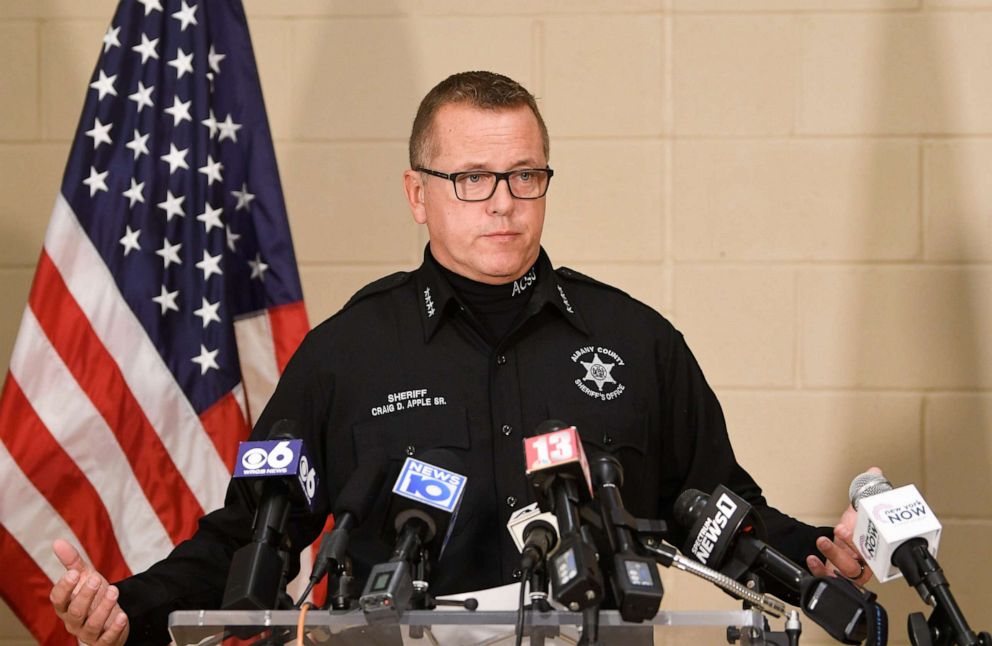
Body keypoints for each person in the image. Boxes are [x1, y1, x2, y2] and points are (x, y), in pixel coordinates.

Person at [49, 71, 873, 645]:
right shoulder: (348, 354)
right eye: (473, 178)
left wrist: (822, 558)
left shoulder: (635, 341)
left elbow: (720, 514)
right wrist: (127, 608)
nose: (505, 204)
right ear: (419, 193)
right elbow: (254, 532)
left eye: (525, 176)